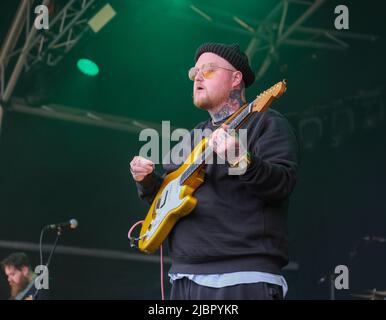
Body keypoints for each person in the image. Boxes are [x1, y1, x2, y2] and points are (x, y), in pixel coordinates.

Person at [130, 42, 299, 300]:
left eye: (208, 70)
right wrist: (147, 180)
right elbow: (167, 195)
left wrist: (240, 159)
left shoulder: (266, 123)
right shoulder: (192, 136)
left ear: (235, 79)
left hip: (241, 277)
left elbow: (281, 184)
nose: (197, 76)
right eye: (194, 72)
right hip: (184, 278)